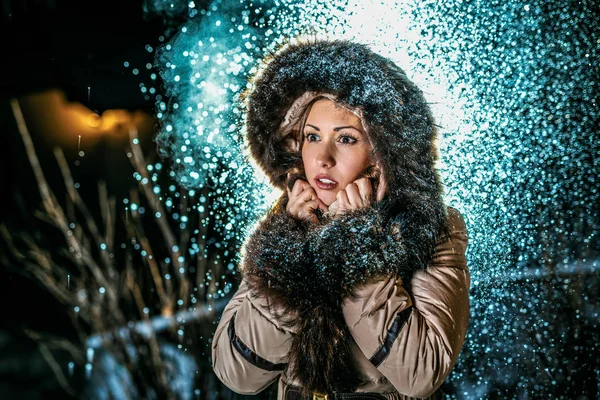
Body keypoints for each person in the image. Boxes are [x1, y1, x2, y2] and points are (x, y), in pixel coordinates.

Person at [211, 37, 470, 400]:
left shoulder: (427, 228)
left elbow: (422, 374)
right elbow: (238, 372)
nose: (323, 158)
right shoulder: (288, 222)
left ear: (381, 153)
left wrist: (354, 245)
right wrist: (291, 254)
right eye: (312, 136)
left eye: (346, 139)